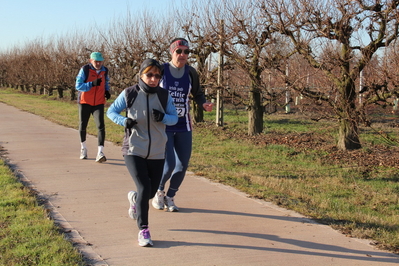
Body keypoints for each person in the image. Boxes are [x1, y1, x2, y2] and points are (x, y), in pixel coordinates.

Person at [107, 59, 178, 247]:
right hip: (133, 149)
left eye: (157, 76)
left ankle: (134, 198)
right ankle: (144, 230)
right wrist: (124, 121)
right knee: (145, 187)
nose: (153, 79)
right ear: (141, 75)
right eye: (149, 75)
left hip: (157, 151)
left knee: (150, 191)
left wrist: (164, 117)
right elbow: (111, 111)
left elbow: (174, 118)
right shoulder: (129, 93)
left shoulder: (164, 96)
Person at [152, 38, 213, 212]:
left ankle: (170, 196)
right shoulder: (161, 70)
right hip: (164, 124)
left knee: (182, 165)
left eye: (186, 52)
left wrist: (204, 104)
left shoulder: (191, 72)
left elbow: (198, 94)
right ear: (172, 52)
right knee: (169, 164)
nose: (183, 55)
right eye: (179, 51)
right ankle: (159, 191)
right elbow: (150, 89)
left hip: (183, 124)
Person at [75, 52, 111, 163]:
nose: (98, 63)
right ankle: (83, 148)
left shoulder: (105, 71)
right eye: (96, 61)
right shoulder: (85, 70)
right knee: (83, 125)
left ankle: (100, 152)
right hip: (85, 101)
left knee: (101, 126)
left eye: (100, 61)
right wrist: (91, 84)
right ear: (91, 61)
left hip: (99, 102)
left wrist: (107, 90)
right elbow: (78, 85)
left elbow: (106, 82)